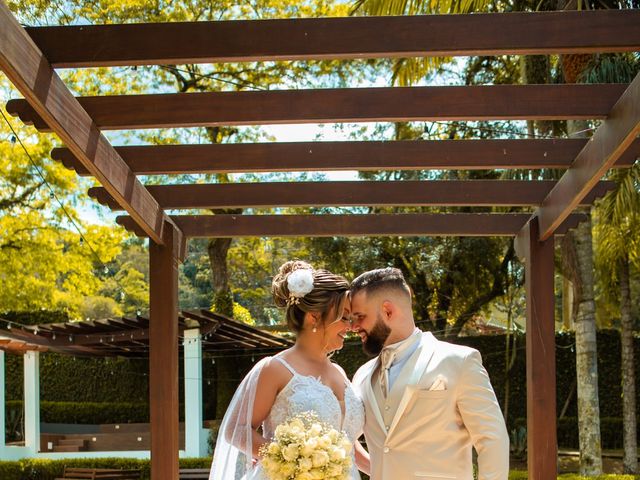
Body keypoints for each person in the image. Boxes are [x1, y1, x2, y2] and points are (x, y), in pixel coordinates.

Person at [209, 260, 370, 480]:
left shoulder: (340, 372)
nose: (350, 326)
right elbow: (236, 430)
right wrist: (292, 462)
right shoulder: (275, 369)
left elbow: (347, 444)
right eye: (343, 317)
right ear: (313, 316)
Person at [350, 267, 509, 480]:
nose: (354, 326)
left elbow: (492, 439)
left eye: (359, 317)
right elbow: (347, 437)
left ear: (388, 311)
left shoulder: (459, 361)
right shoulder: (363, 374)